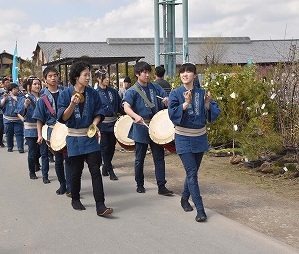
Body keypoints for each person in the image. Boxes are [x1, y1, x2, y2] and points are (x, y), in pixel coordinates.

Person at [57, 61, 113, 217]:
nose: (88, 77)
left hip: (89, 136)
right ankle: (75, 198)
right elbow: (63, 117)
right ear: (76, 77)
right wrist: (71, 105)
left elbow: (99, 111)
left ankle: (100, 205)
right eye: (85, 75)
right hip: (74, 137)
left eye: (89, 74)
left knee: (95, 170)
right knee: (76, 171)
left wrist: (94, 124)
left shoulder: (92, 93)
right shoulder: (65, 94)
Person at [168, 62, 221, 222]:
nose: (185, 74)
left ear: (194, 75)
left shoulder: (203, 93)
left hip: (200, 137)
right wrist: (185, 104)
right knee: (192, 173)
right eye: (182, 72)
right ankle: (200, 209)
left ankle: (184, 198)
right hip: (183, 138)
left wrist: (206, 105)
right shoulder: (175, 93)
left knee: (193, 173)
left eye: (188, 72)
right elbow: (172, 113)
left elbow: (214, 111)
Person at [122, 61, 173, 196]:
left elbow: (166, 97)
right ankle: (139, 183)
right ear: (137, 74)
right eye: (144, 72)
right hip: (140, 126)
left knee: (159, 156)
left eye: (148, 72)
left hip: (155, 126)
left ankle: (161, 185)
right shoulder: (132, 90)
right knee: (140, 157)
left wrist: (166, 101)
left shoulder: (155, 87)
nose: (147, 74)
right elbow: (126, 106)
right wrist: (135, 116)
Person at [34, 66, 71, 193]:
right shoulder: (42, 98)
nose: (53, 78)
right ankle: (62, 184)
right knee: (59, 159)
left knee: (69, 159)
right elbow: (39, 119)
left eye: (55, 75)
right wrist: (39, 135)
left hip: (66, 130)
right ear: (45, 79)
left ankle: (71, 186)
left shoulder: (65, 94)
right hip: (52, 131)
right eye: (50, 76)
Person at [94, 68, 122, 181]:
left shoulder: (113, 91)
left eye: (108, 77)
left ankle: (105, 166)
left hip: (113, 123)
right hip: (102, 124)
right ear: (98, 79)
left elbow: (120, 104)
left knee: (112, 147)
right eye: (104, 77)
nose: (107, 79)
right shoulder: (95, 93)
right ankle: (110, 170)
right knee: (104, 148)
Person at [16, 77, 41, 179]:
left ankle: (37, 162)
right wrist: (25, 106)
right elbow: (20, 112)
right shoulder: (24, 98)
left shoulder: (43, 97)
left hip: (42, 128)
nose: (37, 86)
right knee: (32, 151)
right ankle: (32, 172)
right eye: (35, 84)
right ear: (30, 86)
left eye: (38, 84)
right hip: (30, 128)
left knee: (40, 151)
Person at [0, 83, 25, 153]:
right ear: (10, 90)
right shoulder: (5, 96)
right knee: (9, 134)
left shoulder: (21, 96)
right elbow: (0, 105)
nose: (16, 90)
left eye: (17, 89)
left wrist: (13, 96)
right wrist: (4, 99)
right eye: (14, 89)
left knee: (19, 133)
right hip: (8, 119)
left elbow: (22, 102)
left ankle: (20, 148)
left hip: (18, 119)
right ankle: (10, 147)